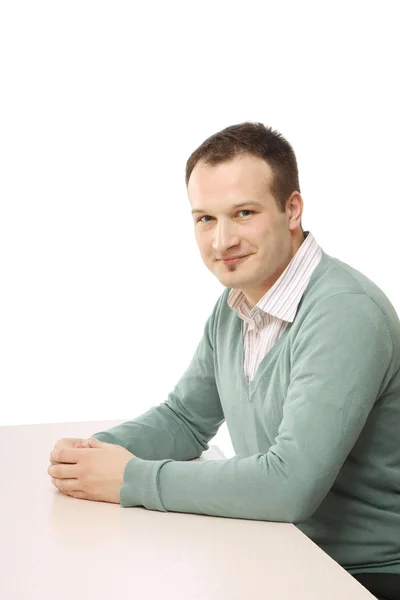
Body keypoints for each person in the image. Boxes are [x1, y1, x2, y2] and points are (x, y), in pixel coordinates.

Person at [48, 122, 400, 600]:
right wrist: (91, 455)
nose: (222, 241)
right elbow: (185, 420)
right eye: (205, 219)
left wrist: (129, 478)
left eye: (243, 213)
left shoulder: (344, 311)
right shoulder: (237, 305)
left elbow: (288, 484)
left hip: (363, 575)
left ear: (291, 209)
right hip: (282, 554)